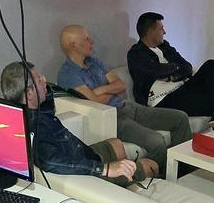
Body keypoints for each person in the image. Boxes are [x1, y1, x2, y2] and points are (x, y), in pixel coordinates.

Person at [0, 61, 159, 186]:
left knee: (116, 143)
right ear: (29, 93)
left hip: (80, 154)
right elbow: (50, 161)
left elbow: (47, 102)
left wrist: (41, 91)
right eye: (39, 79)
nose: (44, 80)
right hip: (82, 170)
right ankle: (119, 181)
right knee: (151, 165)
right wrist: (105, 169)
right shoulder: (36, 126)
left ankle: (122, 185)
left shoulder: (29, 112)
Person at [55, 25, 191, 169]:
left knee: (180, 118)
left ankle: (182, 170)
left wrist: (99, 90)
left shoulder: (95, 62)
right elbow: (94, 102)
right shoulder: (68, 74)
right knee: (156, 141)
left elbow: (121, 85)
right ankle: (160, 176)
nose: (92, 42)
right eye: (87, 39)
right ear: (74, 45)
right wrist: (109, 91)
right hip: (113, 119)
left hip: (127, 107)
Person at [128, 12, 214, 118]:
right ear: (151, 31)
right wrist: (175, 67)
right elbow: (156, 71)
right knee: (210, 100)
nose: (164, 32)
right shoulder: (136, 53)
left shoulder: (165, 46)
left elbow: (187, 67)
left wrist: (171, 75)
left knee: (212, 65)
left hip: (182, 88)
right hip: (162, 99)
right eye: (161, 29)